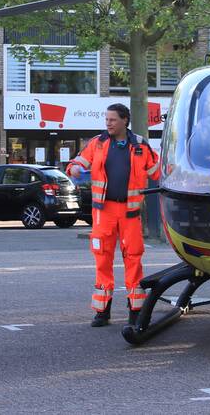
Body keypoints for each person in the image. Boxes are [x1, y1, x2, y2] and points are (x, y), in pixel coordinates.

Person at [67, 103, 161, 328]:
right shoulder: (97, 143)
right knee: (102, 259)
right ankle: (102, 311)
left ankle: (135, 310)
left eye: (112, 119)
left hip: (130, 212)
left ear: (125, 120)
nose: (108, 123)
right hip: (103, 212)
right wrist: (74, 169)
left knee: (133, 258)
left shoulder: (140, 145)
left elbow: (158, 169)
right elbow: (75, 164)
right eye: (106, 119)